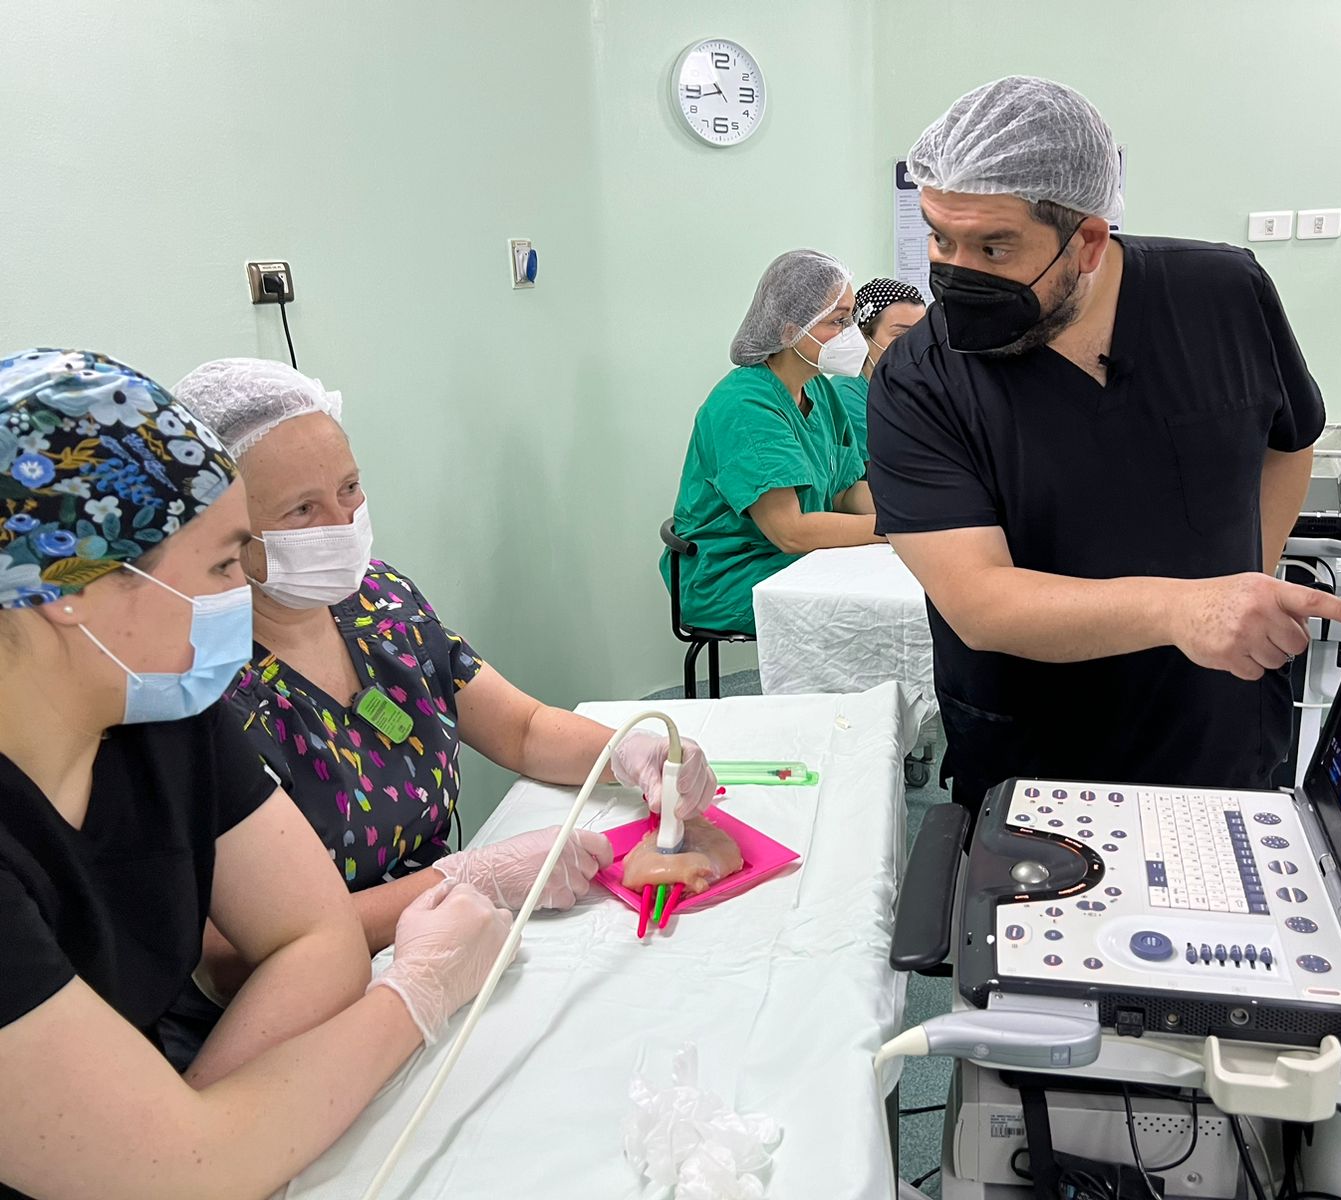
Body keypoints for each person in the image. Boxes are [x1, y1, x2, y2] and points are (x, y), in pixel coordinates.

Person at [0, 349, 513, 1200]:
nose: (239, 597)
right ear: (70, 590)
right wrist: (416, 997)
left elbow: (317, 937)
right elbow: (174, 1169)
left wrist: (201, 1127)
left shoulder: (160, 716)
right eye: (218, 569)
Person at [164, 358, 718, 1056]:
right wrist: (472, 876)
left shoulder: (379, 601)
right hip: (294, 1028)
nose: (342, 524)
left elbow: (520, 728)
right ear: (219, 531)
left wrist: (627, 753)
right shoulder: (203, 687)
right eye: (302, 511)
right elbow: (232, 958)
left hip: (448, 945)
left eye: (351, 489)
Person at [868, 78, 1341, 816]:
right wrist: (1182, 611)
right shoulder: (922, 378)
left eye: (994, 246)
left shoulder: (1223, 295)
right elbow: (980, 600)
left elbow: (1289, 441)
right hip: (1036, 764)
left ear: (1089, 242)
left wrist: (1243, 579)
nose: (957, 271)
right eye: (941, 237)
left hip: (1219, 735)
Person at [662, 249, 881, 635]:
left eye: (852, 319)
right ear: (788, 331)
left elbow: (846, 491)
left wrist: (914, 516)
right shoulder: (745, 406)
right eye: (838, 321)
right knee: (871, 609)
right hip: (732, 574)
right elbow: (790, 531)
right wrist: (892, 529)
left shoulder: (818, 390)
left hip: (790, 557)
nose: (852, 334)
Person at [829, 277, 928, 458]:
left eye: (921, 335)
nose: (914, 346)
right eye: (900, 336)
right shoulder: (846, 395)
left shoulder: (918, 389)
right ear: (863, 336)